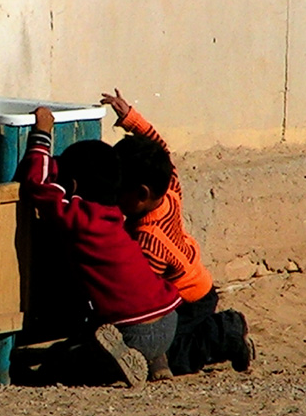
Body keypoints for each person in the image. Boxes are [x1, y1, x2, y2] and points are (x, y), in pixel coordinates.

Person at [15, 106, 182, 388]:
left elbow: (38, 185)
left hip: (133, 329)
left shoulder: (80, 218)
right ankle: (156, 361)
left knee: (58, 363)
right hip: (168, 320)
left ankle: (119, 361)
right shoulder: (114, 214)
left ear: (73, 185)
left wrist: (42, 132)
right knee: (90, 335)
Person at [100, 89, 255, 376]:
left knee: (177, 354)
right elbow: (161, 148)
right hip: (195, 284)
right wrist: (130, 118)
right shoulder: (169, 185)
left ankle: (226, 332)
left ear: (141, 194)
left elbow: (150, 294)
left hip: (188, 300)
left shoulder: (148, 239)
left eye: (118, 190)